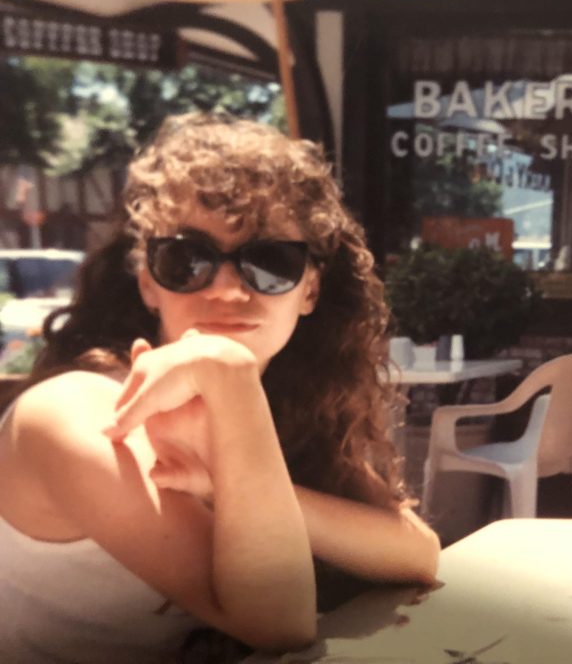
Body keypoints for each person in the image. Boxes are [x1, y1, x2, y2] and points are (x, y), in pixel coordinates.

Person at [0, 113, 440, 663]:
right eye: (187, 260)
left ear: (309, 290)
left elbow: (417, 553)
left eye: (271, 261)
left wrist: (225, 483)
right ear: (148, 284)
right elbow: (279, 624)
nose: (228, 291)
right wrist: (232, 388)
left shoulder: (286, 401)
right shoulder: (73, 415)